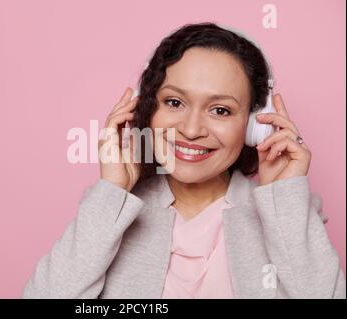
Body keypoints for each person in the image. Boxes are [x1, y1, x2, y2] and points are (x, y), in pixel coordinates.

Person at [22, 22, 346, 298]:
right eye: (174, 102)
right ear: (147, 108)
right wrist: (112, 191)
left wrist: (284, 197)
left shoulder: (287, 218)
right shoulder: (110, 213)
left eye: (220, 110)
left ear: (253, 124)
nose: (191, 130)